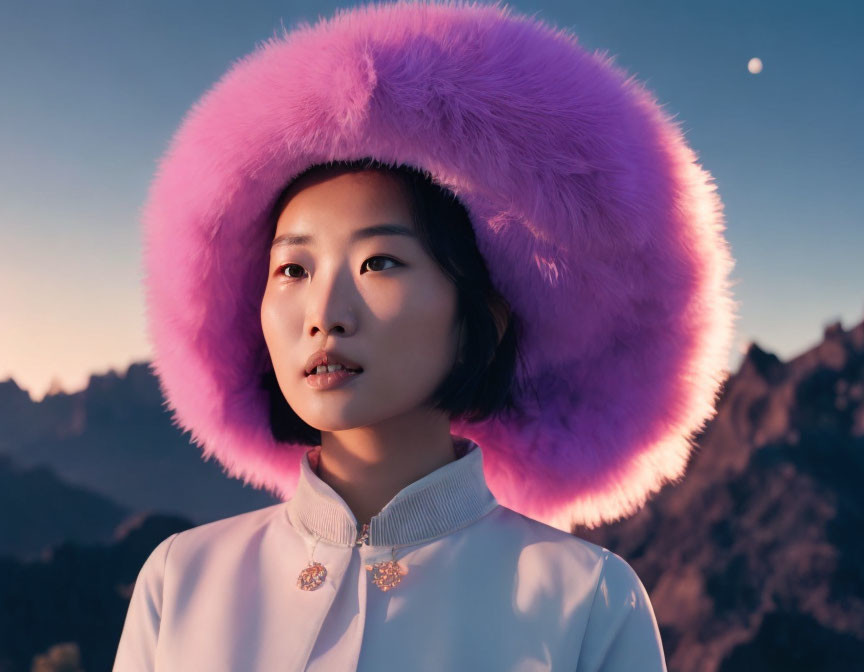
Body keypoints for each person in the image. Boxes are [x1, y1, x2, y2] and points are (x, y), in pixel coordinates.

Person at [114, 2, 736, 670]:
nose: (325, 312)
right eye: (292, 268)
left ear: (483, 314)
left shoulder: (587, 600)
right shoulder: (181, 580)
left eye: (379, 262)